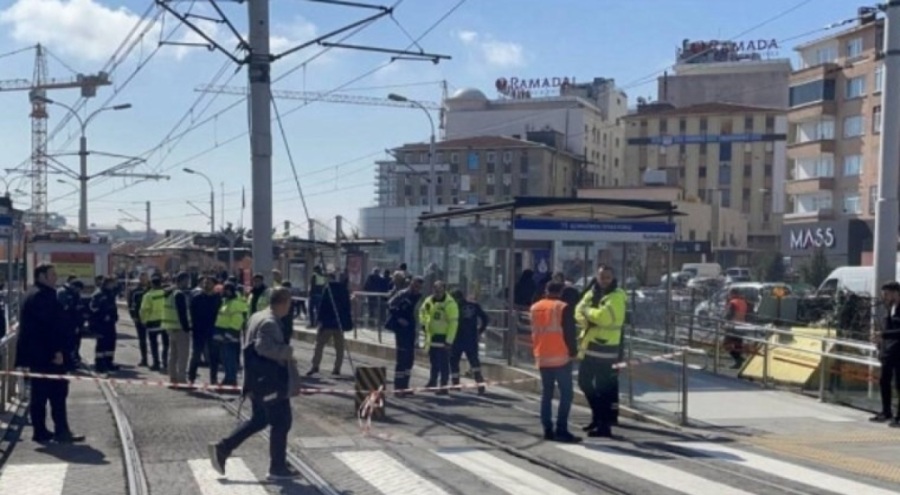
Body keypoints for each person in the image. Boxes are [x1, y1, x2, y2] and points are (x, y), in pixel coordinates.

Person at [208, 287, 300, 480]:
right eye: (289, 304)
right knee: (282, 421)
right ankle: (277, 468)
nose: (290, 308)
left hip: (256, 381)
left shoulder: (257, 316)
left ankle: (223, 448)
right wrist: (287, 351)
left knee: (259, 420)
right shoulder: (270, 322)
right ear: (283, 303)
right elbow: (262, 347)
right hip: (270, 383)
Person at [16, 264, 84, 443]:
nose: (56, 277)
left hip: (37, 355)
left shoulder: (32, 293)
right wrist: (57, 351)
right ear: (42, 276)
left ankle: (43, 431)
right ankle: (59, 431)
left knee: (41, 394)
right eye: (52, 274)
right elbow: (48, 328)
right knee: (56, 393)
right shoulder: (43, 296)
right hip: (48, 356)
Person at [575, 265, 626, 438]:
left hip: (607, 349)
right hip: (589, 348)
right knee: (584, 382)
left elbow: (605, 318)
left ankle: (604, 425)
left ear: (613, 278)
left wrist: (588, 312)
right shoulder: (592, 292)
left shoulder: (617, 296)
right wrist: (590, 318)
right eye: (602, 277)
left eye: (608, 277)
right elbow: (577, 311)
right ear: (597, 277)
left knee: (603, 389)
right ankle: (598, 417)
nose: (604, 280)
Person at [531, 282, 581, 443]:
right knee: (566, 394)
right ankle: (561, 429)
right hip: (560, 357)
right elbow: (569, 332)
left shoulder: (535, 308)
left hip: (542, 356)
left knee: (547, 394)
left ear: (546, 290)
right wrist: (573, 352)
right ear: (561, 292)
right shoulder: (562, 307)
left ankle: (547, 429)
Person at [307, 277, 353, 377]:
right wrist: (347, 323)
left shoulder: (328, 290)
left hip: (327, 323)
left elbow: (322, 306)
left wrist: (318, 320)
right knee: (339, 347)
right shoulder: (344, 291)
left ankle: (315, 365)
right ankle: (337, 368)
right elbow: (347, 308)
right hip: (339, 324)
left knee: (319, 345)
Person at [419, 281, 459, 395]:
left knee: (444, 363)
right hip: (431, 336)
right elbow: (422, 312)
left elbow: (453, 323)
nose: (437, 293)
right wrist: (424, 323)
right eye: (435, 290)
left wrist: (449, 341)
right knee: (433, 361)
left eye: (439, 290)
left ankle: (444, 385)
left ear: (444, 290)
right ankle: (432, 382)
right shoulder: (429, 301)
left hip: (444, 337)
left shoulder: (450, 304)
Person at [386, 276, 423, 395]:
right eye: (415, 285)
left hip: (413, 330)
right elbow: (390, 305)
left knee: (409, 359)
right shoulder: (403, 294)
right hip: (402, 330)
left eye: (419, 286)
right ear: (411, 283)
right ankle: (398, 387)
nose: (416, 288)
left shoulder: (420, 297)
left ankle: (405, 386)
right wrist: (399, 318)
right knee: (402, 358)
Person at [449, 289, 488, 393]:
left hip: (457, 338)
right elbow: (485, 318)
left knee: (454, 361)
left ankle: (456, 383)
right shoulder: (474, 305)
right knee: (474, 361)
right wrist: (480, 330)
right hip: (471, 338)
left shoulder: (454, 307)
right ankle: (479, 382)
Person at [872, 281, 900, 426]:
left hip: (899, 352)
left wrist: (883, 334)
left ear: (896, 293)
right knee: (884, 381)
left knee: (899, 384)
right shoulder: (891, 308)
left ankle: (898, 416)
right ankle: (886, 411)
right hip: (889, 352)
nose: (884, 297)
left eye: (887, 294)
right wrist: (880, 343)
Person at [212, 282, 248, 387]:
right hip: (223, 333)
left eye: (228, 290)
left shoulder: (235, 302)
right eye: (225, 289)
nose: (226, 292)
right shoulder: (226, 301)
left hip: (230, 334)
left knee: (230, 357)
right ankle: (228, 377)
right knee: (225, 358)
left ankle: (231, 378)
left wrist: (230, 333)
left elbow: (237, 319)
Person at [162, 272, 193, 385]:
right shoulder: (179, 294)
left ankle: (172, 377)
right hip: (180, 328)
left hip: (170, 328)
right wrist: (187, 328)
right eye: (187, 281)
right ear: (182, 281)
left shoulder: (169, 293)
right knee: (183, 355)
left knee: (173, 355)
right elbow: (182, 314)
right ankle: (181, 379)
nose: (188, 283)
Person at [190, 276, 221, 384]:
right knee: (196, 355)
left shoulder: (218, 298)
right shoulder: (196, 298)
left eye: (208, 282)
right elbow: (192, 314)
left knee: (214, 357)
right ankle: (191, 378)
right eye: (204, 282)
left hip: (213, 330)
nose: (206, 284)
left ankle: (213, 379)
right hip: (198, 330)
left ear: (214, 284)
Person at [90, 276, 120, 373]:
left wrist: (114, 317)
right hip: (101, 324)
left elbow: (113, 307)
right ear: (107, 283)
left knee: (111, 343)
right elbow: (93, 309)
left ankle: (108, 362)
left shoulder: (110, 293)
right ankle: (99, 364)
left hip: (110, 323)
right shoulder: (98, 294)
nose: (113, 285)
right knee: (102, 344)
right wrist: (103, 316)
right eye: (112, 283)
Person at [140, 275, 169, 372]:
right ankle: (165, 362)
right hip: (164, 321)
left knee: (154, 344)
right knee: (166, 344)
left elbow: (144, 310)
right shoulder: (165, 293)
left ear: (152, 284)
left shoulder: (148, 296)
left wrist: (144, 321)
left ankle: (156, 363)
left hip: (152, 322)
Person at [58, 276, 86, 367]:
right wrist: (73, 308)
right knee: (66, 344)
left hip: (74, 323)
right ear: (74, 286)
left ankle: (72, 360)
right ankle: (66, 363)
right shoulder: (62, 292)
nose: (79, 292)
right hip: (65, 324)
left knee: (73, 343)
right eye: (78, 289)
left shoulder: (74, 293)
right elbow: (62, 309)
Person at [129, 273, 150, 367]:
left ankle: (157, 361)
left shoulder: (152, 290)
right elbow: (131, 305)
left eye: (145, 278)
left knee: (153, 340)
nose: (144, 280)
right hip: (139, 318)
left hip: (151, 319)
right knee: (142, 340)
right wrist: (133, 316)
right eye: (142, 279)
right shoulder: (135, 291)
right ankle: (144, 359)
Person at [724, 287, 748, 369]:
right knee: (738, 345)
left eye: (730, 294)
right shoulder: (743, 302)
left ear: (733, 294)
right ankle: (738, 362)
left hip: (732, 326)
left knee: (726, 344)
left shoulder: (733, 302)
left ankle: (739, 359)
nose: (729, 295)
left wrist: (723, 321)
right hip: (741, 325)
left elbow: (728, 315)